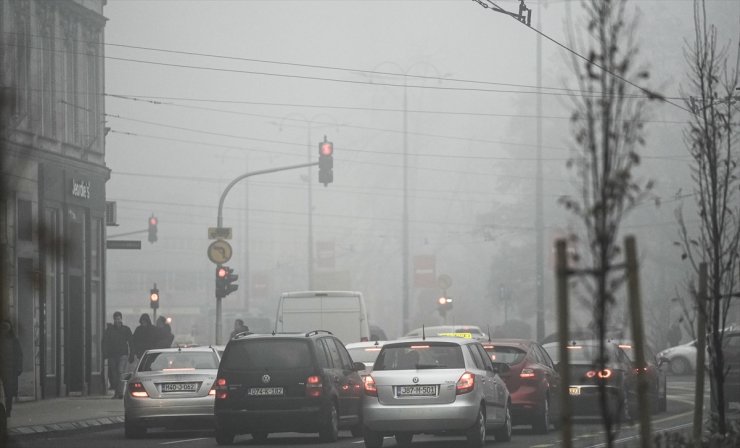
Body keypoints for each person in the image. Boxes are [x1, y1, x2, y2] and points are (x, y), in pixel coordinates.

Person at [102, 312, 133, 399]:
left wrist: (131, 353)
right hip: (112, 355)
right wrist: (105, 353)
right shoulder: (110, 330)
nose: (117, 320)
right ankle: (118, 392)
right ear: (114, 319)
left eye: (118, 318)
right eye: (116, 319)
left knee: (120, 372)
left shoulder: (125, 329)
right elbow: (105, 342)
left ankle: (120, 393)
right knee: (114, 374)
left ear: (121, 319)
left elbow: (131, 342)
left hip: (123, 354)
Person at [0, 319, 23, 417]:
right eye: (3, 328)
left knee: (8, 391)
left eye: (6, 327)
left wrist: (19, 367)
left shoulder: (14, 340)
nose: (4, 330)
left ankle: (8, 410)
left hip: (10, 370)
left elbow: (19, 354)